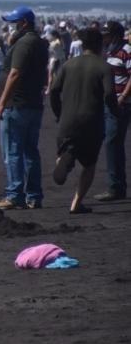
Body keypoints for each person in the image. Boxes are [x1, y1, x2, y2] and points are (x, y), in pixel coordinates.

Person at [49, 28, 118, 214]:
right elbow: (110, 94)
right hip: (91, 122)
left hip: (67, 121)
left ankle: (64, 157)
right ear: (100, 45)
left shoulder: (68, 65)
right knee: (89, 164)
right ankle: (76, 203)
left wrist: (58, 112)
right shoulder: (104, 67)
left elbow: (54, 91)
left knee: (67, 146)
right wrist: (115, 111)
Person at [0, 6, 49, 210]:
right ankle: (33, 195)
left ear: (23, 23)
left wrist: (1, 102)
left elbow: (14, 74)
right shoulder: (40, 43)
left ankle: (14, 194)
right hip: (33, 104)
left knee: (13, 151)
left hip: (17, 104)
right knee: (30, 151)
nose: (11, 28)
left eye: (14, 23)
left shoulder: (24, 44)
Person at [96, 21, 131, 202]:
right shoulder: (110, 50)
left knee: (112, 143)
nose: (104, 37)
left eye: (107, 34)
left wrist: (123, 97)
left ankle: (114, 187)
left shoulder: (126, 50)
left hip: (121, 103)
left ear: (115, 35)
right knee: (114, 144)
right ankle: (118, 186)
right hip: (111, 102)